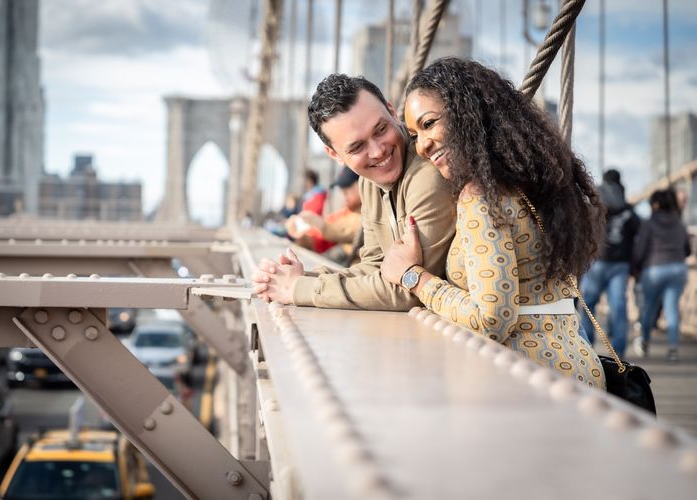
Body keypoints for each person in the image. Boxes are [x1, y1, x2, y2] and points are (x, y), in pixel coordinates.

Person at [380, 57, 606, 388]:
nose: (422, 146)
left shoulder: (480, 198)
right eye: (414, 135)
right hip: (579, 371)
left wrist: (412, 276)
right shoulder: (535, 183)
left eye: (429, 124)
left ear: (467, 114)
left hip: (526, 383)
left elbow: (492, 320)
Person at [252, 73, 455, 310]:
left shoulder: (426, 175)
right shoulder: (368, 183)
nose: (378, 151)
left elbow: (410, 289)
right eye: (357, 146)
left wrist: (298, 289)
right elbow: (373, 266)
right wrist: (302, 279)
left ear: (391, 111)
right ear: (335, 155)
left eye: (380, 129)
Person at [578, 169, 640, 357]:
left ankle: (587, 347)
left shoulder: (594, 206)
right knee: (619, 306)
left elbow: (582, 231)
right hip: (620, 265)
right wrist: (634, 266)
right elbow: (637, 238)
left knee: (588, 305)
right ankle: (618, 352)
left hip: (596, 261)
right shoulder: (629, 211)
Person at [632, 188, 691, 362]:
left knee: (649, 308)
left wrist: (635, 267)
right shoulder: (679, 223)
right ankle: (673, 350)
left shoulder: (649, 223)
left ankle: (645, 342)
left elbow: (640, 250)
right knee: (671, 309)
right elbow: (687, 250)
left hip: (654, 270)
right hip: (678, 269)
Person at [286, 166, 363, 264]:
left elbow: (348, 230)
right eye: (342, 191)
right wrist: (303, 236)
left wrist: (318, 224)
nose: (344, 196)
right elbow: (326, 230)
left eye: (347, 190)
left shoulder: (369, 213)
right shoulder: (347, 211)